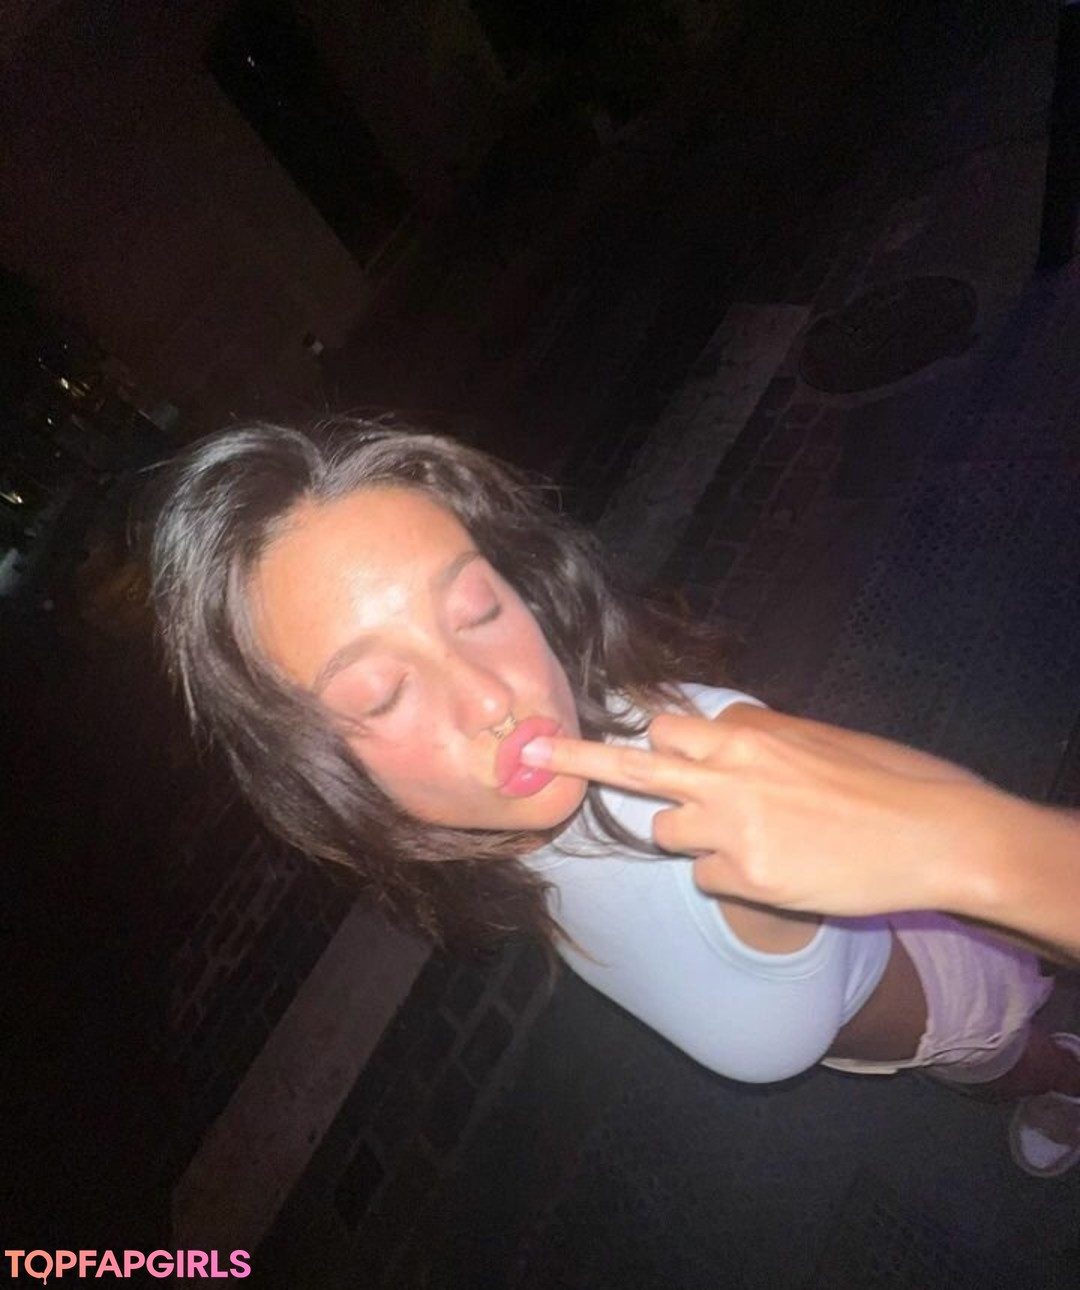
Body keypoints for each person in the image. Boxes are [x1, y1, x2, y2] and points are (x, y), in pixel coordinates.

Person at [149, 419, 1080, 1180]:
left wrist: (977, 851)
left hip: (944, 988)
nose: (490, 697)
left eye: (479, 610)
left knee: (996, 1051)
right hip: (870, 1035)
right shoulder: (499, 826)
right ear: (319, 772)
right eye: (383, 694)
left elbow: (974, 857)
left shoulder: (701, 751)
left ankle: (1057, 1073)